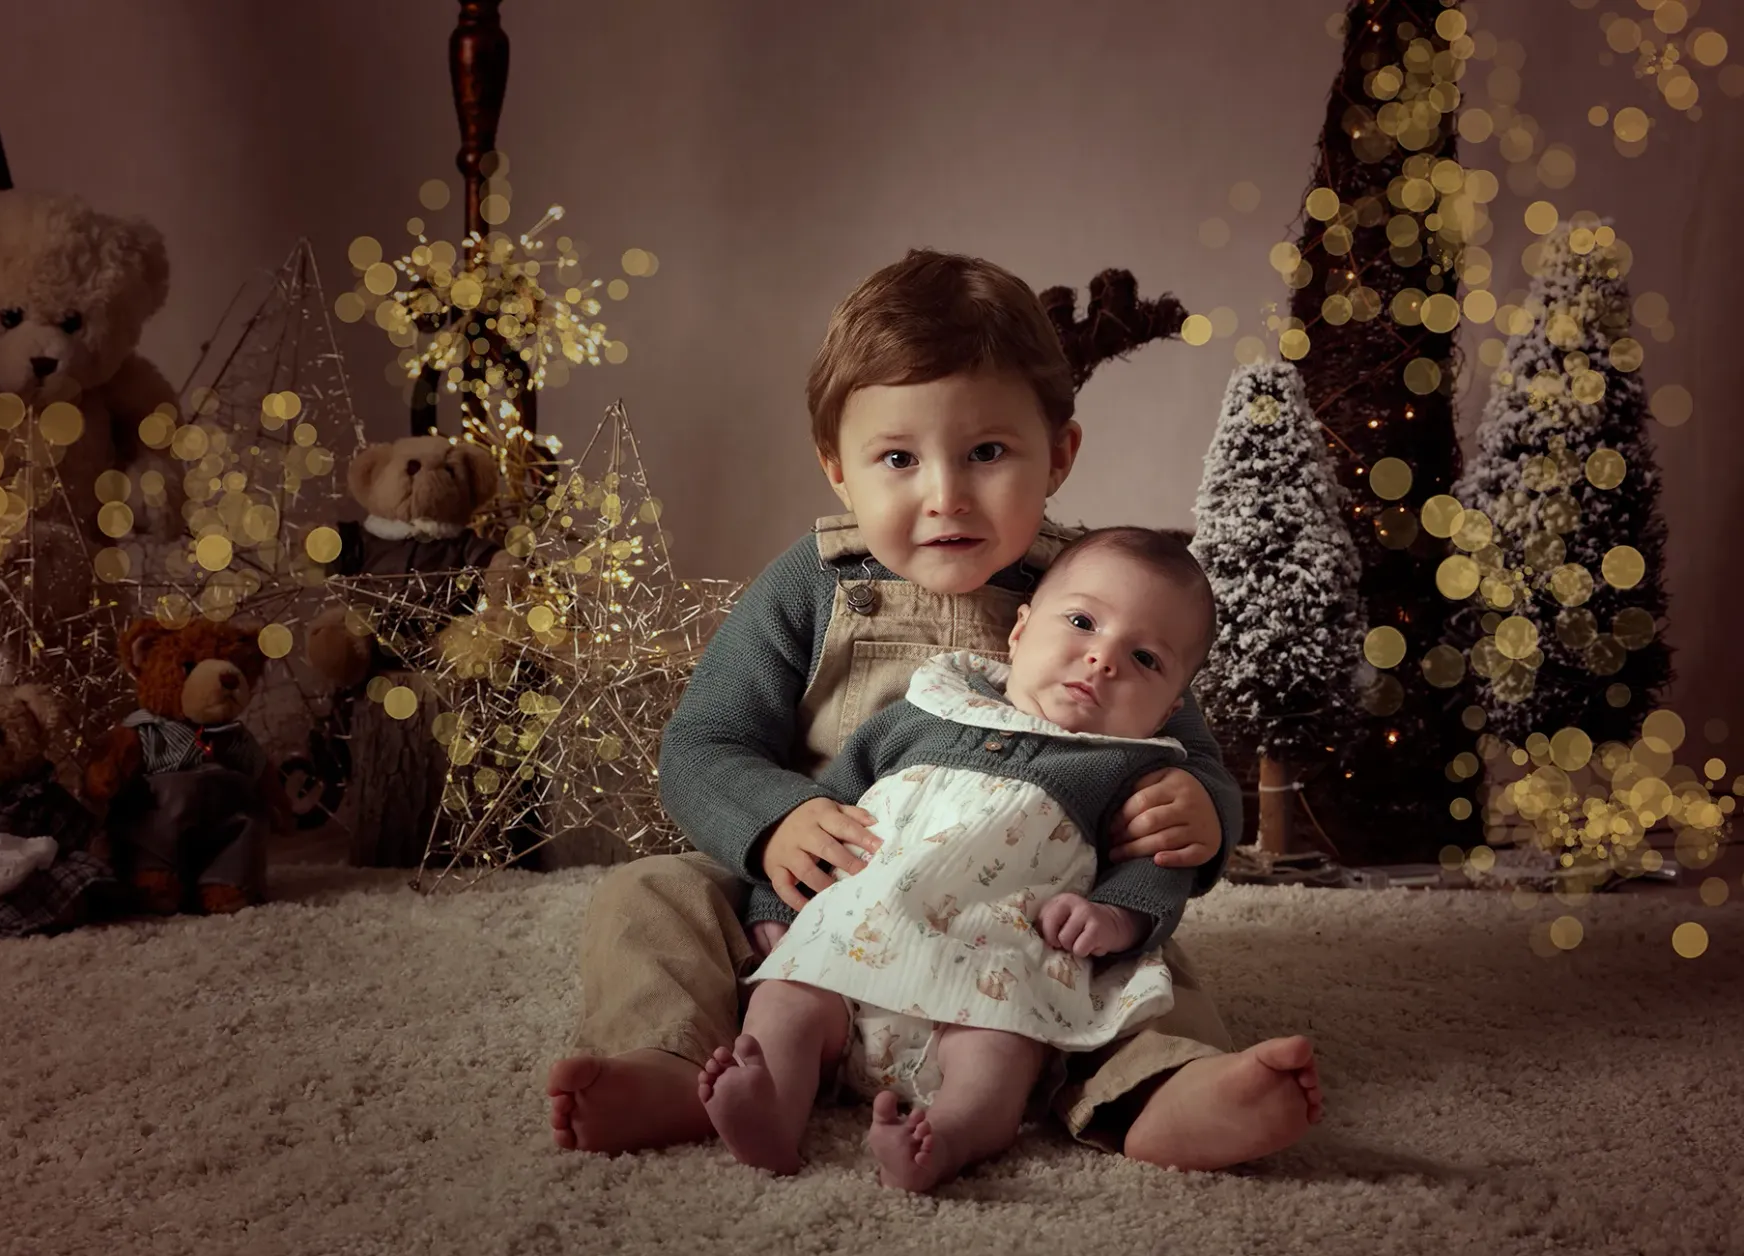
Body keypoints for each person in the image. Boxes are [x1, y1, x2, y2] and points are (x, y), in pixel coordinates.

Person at [548, 249, 1322, 1170]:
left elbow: (1186, 753)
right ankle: (674, 1062)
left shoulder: (1098, 596)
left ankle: (1158, 1089)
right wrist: (777, 823)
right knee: (650, 896)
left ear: (1058, 455)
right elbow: (704, 744)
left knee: (1143, 965)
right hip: (816, 905)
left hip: (1022, 927)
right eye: (898, 459)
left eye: (987, 453)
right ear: (839, 470)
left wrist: (1201, 811)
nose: (945, 496)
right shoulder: (813, 584)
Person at [701, 528, 1230, 1189]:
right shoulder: (923, 712)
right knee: (784, 1004)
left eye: (1145, 659)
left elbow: (1159, 865)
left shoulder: (1129, 768)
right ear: (1020, 632)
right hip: (850, 943)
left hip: (993, 973)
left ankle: (947, 1137)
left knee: (999, 1055)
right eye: (1081, 623)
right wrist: (775, 903)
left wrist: (1115, 917)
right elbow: (829, 807)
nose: (1102, 660)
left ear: (1170, 709)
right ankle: (772, 1111)